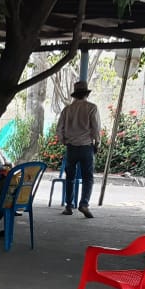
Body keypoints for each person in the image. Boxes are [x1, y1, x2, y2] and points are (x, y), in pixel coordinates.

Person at [56, 80, 101, 218]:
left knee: (70, 177)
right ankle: (84, 204)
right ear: (86, 94)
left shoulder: (67, 110)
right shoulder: (92, 107)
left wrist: (64, 140)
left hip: (71, 148)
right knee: (88, 178)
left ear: (75, 95)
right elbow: (96, 128)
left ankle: (68, 206)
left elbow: (59, 129)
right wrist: (97, 143)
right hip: (86, 147)